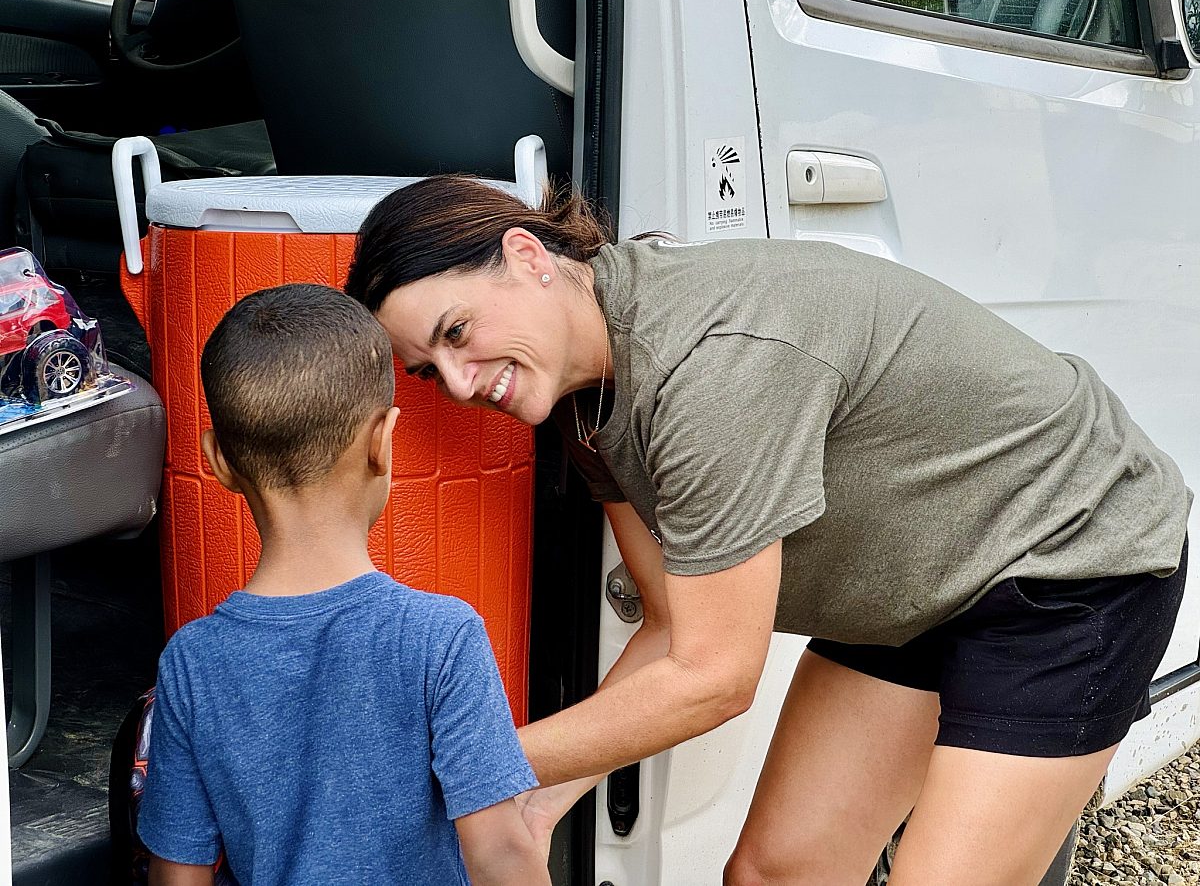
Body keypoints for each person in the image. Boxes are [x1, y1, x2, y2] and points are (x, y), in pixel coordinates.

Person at [344, 177, 1191, 886]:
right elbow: (676, 624)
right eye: (427, 368)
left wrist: (469, 769)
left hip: (1072, 553)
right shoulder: (585, 403)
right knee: (777, 874)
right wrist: (533, 807)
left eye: (457, 333)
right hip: (923, 575)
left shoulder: (710, 366)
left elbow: (714, 676)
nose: (456, 382)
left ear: (528, 257)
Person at [137, 283, 550, 886]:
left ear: (218, 460)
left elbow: (177, 879)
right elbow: (502, 858)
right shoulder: (441, 638)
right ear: (384, 442)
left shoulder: (192, 663)